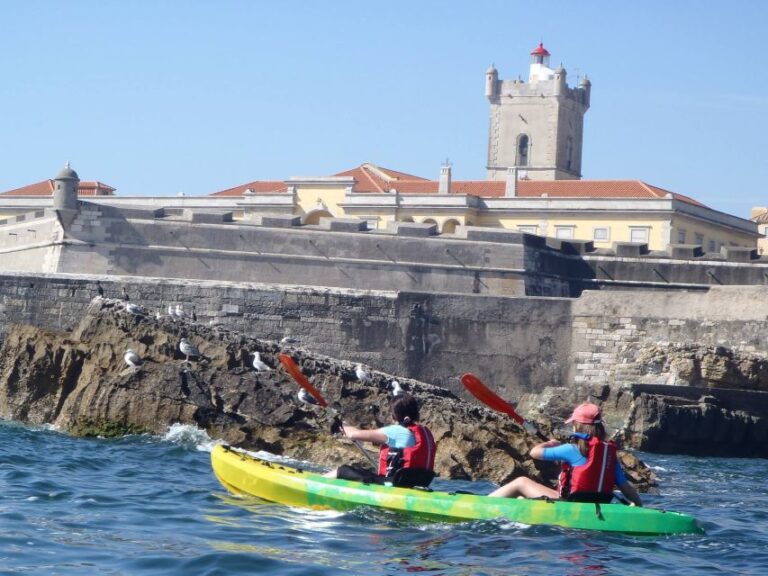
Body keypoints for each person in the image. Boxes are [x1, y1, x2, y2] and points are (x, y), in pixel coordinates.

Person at [488, 402, 642, 506]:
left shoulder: (570, 449)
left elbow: (534, 452)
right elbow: (624, 486)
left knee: (521, 482)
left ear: (577, 426)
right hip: (598, 504)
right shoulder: (609, 454)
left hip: (569, 504)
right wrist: (640, 507)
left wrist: (549, 443)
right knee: (522, 499)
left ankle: (482, 504)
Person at [324, 393, 437, 488]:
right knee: (364, 473)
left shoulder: (396, 431)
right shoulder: (425, 433)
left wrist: (343, 424)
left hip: (394, 485)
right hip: (418, 484)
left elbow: (353, 434)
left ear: (394, 416)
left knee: (343, 470)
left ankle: (314, 483)